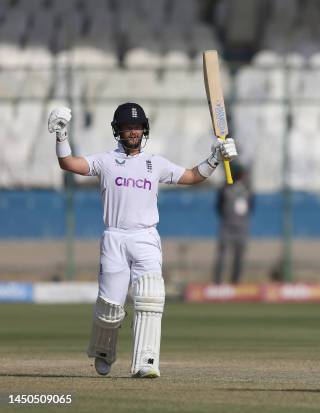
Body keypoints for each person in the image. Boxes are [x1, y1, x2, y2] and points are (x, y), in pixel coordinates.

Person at [47, 103, 237, 378]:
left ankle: (146, 362)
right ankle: (103, 352)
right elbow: (68, 164)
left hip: (146, 236)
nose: (134, 132)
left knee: (150, 295)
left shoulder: (155, 163)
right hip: (114, 237)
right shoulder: (105, 161)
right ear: (118, 130)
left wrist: (216, 158)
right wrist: (61, 136)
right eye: (128, 127)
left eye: (137, 127)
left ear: (144, 129)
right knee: (110, 308)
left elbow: (192, 176)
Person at [212, 162, 253, 284]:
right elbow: (219, 206)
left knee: (239, 255)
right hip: (227, 225)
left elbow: (251, 205)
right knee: (222, 254)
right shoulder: (225, 189)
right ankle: (218, 282)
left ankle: (235, 281)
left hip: (242, 226)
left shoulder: (247, 189)